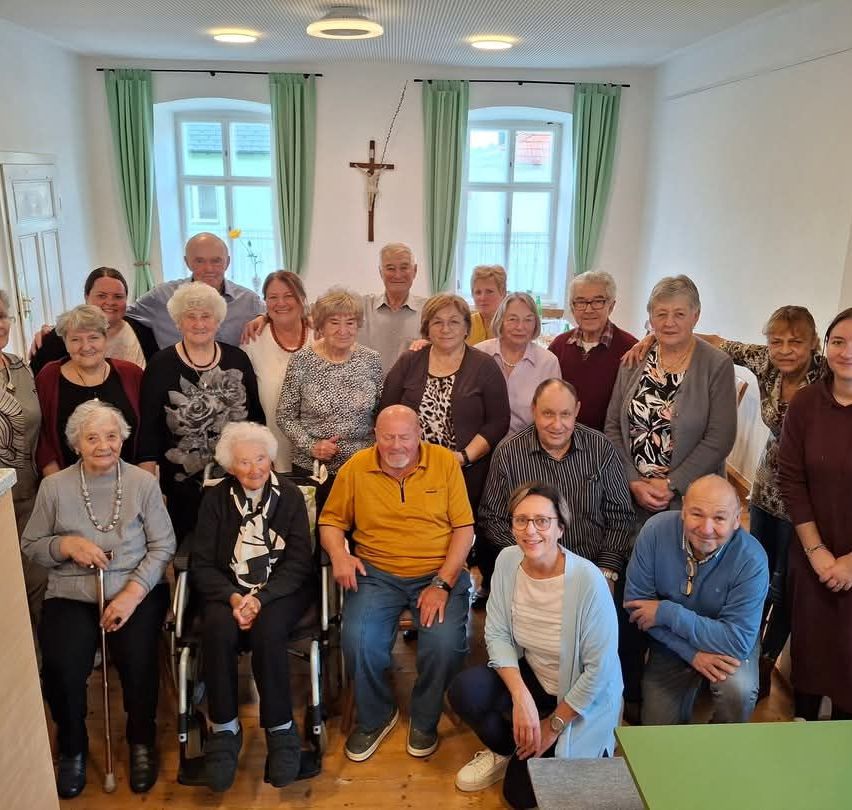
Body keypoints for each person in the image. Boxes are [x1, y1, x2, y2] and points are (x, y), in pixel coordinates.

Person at [625, 305, 824, 696]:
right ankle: (730, 636)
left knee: (788, 582)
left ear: (813, 343)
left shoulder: (824, 374)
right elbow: (714, 341)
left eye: (795, 342)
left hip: (807, 496)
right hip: (768, 488)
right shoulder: (764, 361)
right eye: (776, 341)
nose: (784, 349)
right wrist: (653, 338)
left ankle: (762, 658)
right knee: (757, 572)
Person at [21, 401, 175, 798]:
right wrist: (65, 544)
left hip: (133, 591)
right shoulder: (54, 487)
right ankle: (72, 747)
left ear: (122, 439)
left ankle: (141, 742)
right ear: (76, 444)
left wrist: (130, 596)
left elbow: (163, 546)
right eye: (92, 438)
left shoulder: (143, 483)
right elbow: (32, 544)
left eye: (111, 436)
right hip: (72, 592)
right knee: (62, 665)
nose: (103, 445)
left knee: (139, 658)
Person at [448, 483, 621, 809]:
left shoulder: (588, 581)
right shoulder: (507, 560)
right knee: (465, 690)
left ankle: (546, 743)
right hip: (534, 676)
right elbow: (496, 633)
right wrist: (520, 697)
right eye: (521, 520)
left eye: (542, 521)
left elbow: (601, 671)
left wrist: (553, 725)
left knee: (524, 798)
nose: (530, 531)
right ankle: (508, 750)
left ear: (560, 528)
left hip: (579, 697)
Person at [319, 405, 474, 762]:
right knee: (358, 640)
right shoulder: (356, 467)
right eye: (388, 436)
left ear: (419, 434)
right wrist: (340, 556)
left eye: (404, 436)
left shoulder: (445, 463)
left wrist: (442, 583)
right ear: (376, 435)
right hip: (377, 573)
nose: (396, 445)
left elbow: (464, 530)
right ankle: (376, 716)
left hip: (437, 571)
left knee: (445, 643)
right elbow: (330, 522)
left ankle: (425, 716)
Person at [190, 422, 314, 792]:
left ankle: (281, 730)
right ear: (231, 468)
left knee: (270, 630)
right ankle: (224, 729)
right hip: (227, 590)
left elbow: (297, 563)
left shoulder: (289, 496)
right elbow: (202, 563)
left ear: (271, 458)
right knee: (217, 627)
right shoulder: (215, 499)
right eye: (244, 462)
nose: (255, 468)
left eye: (261, 458)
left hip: (280, 591)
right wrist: (233, 598)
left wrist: (259, 598)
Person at [624, 475, 768, 726]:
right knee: (657, 733)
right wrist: (692, 654)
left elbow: (737, 641)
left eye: (720, 518)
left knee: (739, 691)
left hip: (727, 644)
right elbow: (637, 605)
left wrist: (666, 612)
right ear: (682, 510)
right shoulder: (654, 532)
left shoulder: (752, 560)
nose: (707, 528)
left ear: (737, 520)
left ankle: (720, 746)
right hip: (672, 643)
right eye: (697, 514)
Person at [478, 379, 634, 594]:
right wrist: (528, 557)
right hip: (531, 571)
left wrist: (606, 571)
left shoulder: (601, 448)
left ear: (577, 410)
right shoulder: (508, 453)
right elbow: (492, 518)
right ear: (534, 410)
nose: (557, 425)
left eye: (565, 414)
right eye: (548, 414)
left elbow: (620, 515)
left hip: (593, 570)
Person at [138, 282, 264, 543]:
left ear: (217, 320)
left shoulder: (237, 359)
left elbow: (256, 421)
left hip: (237, 478)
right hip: (182, 487)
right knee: (191, 556)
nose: (199, 324)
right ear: (177, 322)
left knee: (241, 548)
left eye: (206, 316)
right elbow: (148, 433)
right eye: (190, 317)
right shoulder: (160, 365)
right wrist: (150, 492)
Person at [605, 275, 737, 520]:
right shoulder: (634, 360)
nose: (669, 323)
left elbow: (720, 438)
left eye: (679, 314)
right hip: (632, 494)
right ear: (651, 317)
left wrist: (671, 484)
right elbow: (613, 425)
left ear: (695, 315)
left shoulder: (716, 365)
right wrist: (633, 480)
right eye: (661, 313)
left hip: (690, 500)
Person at [778, 307, 852, 721]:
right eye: (838, 341)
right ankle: (801, 735)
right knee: (810, 654)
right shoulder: (806, 403)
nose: (846, 352)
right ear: (825, 348)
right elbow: (792, 480)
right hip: (812, 555)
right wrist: (818, 552)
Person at [380, 293, 510, 517]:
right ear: (426, 328)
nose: (445, 328)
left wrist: (464, 457)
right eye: (437, 322)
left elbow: (498, 422)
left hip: (464, 473)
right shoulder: (409, 361)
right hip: (408, 471)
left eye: (454, 322)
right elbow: (385, 411)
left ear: (466, 328)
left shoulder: (484, 366)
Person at [277, 288, 383, 497]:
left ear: (358, 325)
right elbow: (284, 415)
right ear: (321, 326)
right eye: (334, 322)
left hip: (363, 467)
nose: (343, 330)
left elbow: (381, 411)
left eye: (350, 322)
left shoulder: (371, 360)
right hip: (314, 468)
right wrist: (311, 446)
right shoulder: (302, 360)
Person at [35, 304, 143, 475]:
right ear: (65, 342)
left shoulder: (132, 374)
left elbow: (147, 432)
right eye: (75, 339)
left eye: (93, 338)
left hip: (129, 482)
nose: (86, 347)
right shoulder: (48, 377)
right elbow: (42, 437)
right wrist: (57, 486)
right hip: (68, 485)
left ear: (105, 338)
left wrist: (143, 483)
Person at [127, 232, 265, 348]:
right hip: (175, 376)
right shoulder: (162, 296)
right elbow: (121, 313)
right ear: (187, 262)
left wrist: (264, 317)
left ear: (227, 262)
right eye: (199, 261)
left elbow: (278, 313)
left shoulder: (249, 301)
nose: (209, 269)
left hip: (233, 377)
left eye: (216, 261)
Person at [0, 290, 46, 631]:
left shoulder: (19, 366)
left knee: (37, 583)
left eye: (3, 316)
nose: (0, 324)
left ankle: (43, 671)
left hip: (30, 496)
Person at [547, 271, 637, 432]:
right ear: (572, 308)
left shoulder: (630, 349)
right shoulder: (558, 346)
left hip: (605, 445)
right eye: (580, 302)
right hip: (560, 437)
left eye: (598, 301)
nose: (588, 310)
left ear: (611, 306)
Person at [242, 271, 311, 473]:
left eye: (289, 295)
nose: (281, 303)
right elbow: (248, 406)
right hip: (271, 454)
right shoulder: (253, 341)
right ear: (265, 302)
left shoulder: (320, 336)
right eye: (273, 297)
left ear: (302, 298)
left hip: (316, 454)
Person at [31, 267, 157, 374]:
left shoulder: (144, 331)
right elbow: (34, 382)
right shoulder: (60, 337)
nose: (110, 302)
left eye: (118, 297)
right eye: (101, 296)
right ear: (86, 297)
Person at [476, 292, 562, 436]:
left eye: (528, 320)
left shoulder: (548, 362)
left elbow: (552, 414)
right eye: (512, 319)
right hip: (480, 446)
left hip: (527, 448)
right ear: (501, 321)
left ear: (536, 324)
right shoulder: (479, 353)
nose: (520, 327)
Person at [359, 242, 426, 373]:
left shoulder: (429, 310)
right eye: (390, 268)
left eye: (404, 267)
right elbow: (326, 309)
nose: (397, 275)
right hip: (368, 391)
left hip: (410, 391)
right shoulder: (361, 307)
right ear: (380, 272)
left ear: (415, 271)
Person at [467, 264, 507, 345]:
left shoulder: (512, 325)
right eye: (478, 292)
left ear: (503, 293)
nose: (482, 298)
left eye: (489, 292)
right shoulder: (465, 325)